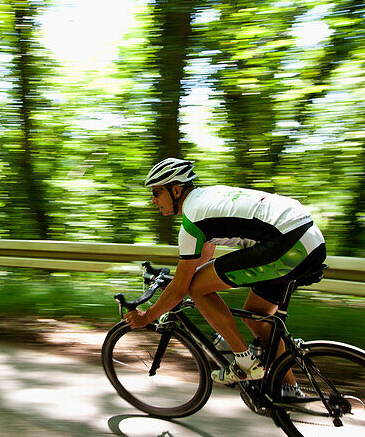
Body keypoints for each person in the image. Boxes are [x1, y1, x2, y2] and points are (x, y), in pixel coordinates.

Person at [124, 158, 327, 396]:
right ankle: (288, 387)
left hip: (287, 243)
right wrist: (175, 284)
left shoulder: (192, 220)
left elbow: (184, 287)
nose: (153, 200)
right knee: (256, 316)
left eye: (157, 193)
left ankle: (245, 363)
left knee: (197, 288)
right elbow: (200, 261)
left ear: (176, 190)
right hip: (309, 240)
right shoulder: (208, 199)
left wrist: (147, 317)